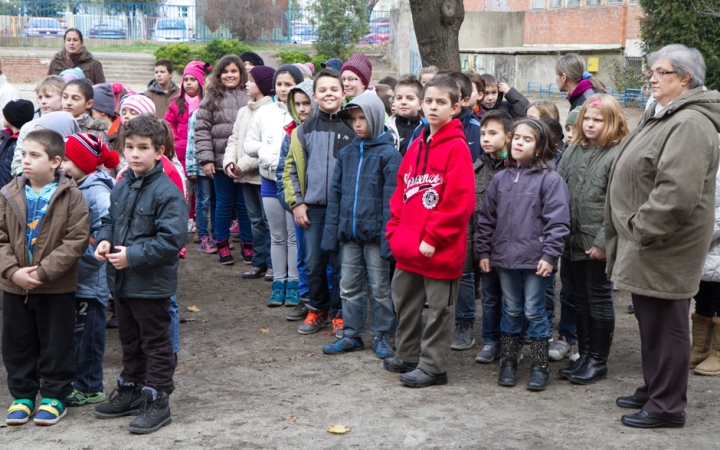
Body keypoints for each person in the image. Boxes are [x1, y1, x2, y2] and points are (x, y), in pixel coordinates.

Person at [606, 44, 720, 429]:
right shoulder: (665, 115)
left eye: (661, 72)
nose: (651, 78)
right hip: (650, 243)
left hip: (663, 243)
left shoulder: (689, 123)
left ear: (685, 78)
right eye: (651, 72)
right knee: (651, 323)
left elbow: (676, 193)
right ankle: (654, 388)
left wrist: (641, 229)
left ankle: (667, 405)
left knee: (668, 324)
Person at [93, 114, 187, 434]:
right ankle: (131, 389)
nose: (134, 154)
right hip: (121, 283)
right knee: (129, 340)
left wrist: (131, 256)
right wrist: (105, 238)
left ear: (159, 151)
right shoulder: (122, 186)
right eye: (129, 147)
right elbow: (109, 220)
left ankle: (157, 399)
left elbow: (171, 241)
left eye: (143, 148)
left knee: (156, 343)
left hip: (151, 284)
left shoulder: (167, 191)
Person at [383, 76, 475, 388]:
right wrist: (394, 230)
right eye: (430, 101)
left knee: (438, 311)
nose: (434, 107)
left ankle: (433, 367)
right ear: (422, 104)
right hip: (407, 246)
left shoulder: (457, 149)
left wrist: (432, 238)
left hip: (439, 248)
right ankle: (408, 354)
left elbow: (458, 203)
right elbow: (400, 190)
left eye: (441, 102)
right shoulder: (417, 144)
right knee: (405, 304)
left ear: (456, 107)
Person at [2, 129, 90, 426]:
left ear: (55, 161)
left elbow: (76, 240)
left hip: (55, 286)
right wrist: (13, 271)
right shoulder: (8, 193)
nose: (26, 161)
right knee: (17, 343)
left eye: (34, 155)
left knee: (57, 342)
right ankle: (23, 396)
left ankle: (54, 395)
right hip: (14, 286)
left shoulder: (72, 196)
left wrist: (42, 272)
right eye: (24, 154)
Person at [477, 118, 570, 391]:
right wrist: (484, 250)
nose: (519, 142)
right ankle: (508, 360)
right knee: (512, 308)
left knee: (534, 310)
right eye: (516, 137)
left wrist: (550, 255)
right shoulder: (499, 179)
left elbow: (558, 222)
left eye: (527, 139)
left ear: (539, 147)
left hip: (536, 260)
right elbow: (487, 219)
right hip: (504, 259)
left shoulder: (550, 180)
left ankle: (539, 364)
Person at [321, 93, 401, 358]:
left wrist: (389, 238)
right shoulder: (347, 153)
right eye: (353, 119)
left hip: (376, 237)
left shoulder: (389, 155)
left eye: (362, 118)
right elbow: (336, 196)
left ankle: (382, 334)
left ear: (376, 118)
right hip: (350, 235)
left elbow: (393, 201)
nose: (357, 124)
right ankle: (352, 334)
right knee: (349, 285)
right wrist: (331, 235)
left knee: (380, 289)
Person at [556, 94, 628, 386]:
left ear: (612, 122)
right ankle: (585, 355)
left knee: (598, 298)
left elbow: (619, 202)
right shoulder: (572, 151)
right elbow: (557, 191)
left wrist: (603, 241)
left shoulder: (616, 155)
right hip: (570, 241)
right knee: (579, 298)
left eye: (598, 120)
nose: (590, 124)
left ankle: (598, 361)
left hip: (596, 242)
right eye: (587, 118)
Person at [283, 68, 353, 336]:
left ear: (343, 94)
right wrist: (297, 203)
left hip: (344, 209)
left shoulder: (352, 128)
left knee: (341, 263)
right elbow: (290, 171)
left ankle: (339, 313)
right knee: (313, 261)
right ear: (314, 96)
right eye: (322, 90)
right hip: (313, 209)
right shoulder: (302, 131)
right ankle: (317, 309)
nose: (329, 94)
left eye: (334, 89)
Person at [60, 133, 119, 407]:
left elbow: (103, 236)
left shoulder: (98, 192)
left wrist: (73, 262)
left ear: (84, 162)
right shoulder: (73, 186)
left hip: (90, 280)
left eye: (68, 160)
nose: (62, 165)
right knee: (74, 334)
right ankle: (77, 381)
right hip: (73, 278)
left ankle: (91, 386)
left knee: (88, 336)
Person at [245, 65, 303, 306]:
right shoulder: (265, 112)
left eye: (288, 84)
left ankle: (294, 284)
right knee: (277, 235)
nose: (282, 89)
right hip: (268, 180)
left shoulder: (301, 111)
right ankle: (278, 283)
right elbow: (249, 143)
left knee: (293, 237)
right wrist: (266, 151)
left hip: (292, 184)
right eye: (279, 84)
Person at [195, 55, 252, 265]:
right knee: (224, 204)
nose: (230, 75)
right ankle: (222, 244)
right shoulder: (211, 97)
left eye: (234, 71)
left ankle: (248, 243)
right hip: (219, 161)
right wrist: (206, 159)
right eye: (225, 71)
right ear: (219, 75)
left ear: (241, 74)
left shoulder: (249, 96)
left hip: (244, 162)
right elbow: (201, 129)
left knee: (244, 204)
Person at [224, 65, 274, 273]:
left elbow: (265, 146)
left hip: (262, 176)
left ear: (262, 84)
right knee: (254, 220)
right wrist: (229, 162)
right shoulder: (244, 110)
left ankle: (273, 264)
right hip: (244, 176)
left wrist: (242, 165)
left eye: (251, 81)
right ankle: (258, 261)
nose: (246, 84)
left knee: (268, 221)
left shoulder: (270, 111)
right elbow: (234, 138)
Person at [472, 110, 512, 364]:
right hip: (486, 248)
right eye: (483, 133)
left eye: (493, 133)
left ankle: (513, 342)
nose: (486, 138)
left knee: (514, 300)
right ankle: (491, 341)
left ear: (509, 136)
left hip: (513, 249)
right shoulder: (476, 168)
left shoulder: (520, 168)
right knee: (489, 297)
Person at [276, 81, 317, 321]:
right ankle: (305, 298)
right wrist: (293, 204)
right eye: (297, 104)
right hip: (300, 207)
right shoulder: (291, 134)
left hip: (323, 207)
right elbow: (284, 173)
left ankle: (327, 300)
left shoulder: (327, 129)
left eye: (306, 103)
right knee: (303, 255)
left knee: (325, 256)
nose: (302, 109)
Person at [165, 61, 211, 241]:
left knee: (202, 194)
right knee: (184, 190)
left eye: (193, 79)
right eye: (186, 79)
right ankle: (183, 220)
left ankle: (199, 224)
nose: (189, 83)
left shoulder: (206, 102)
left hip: (200, 154)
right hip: (181, 153)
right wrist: (176, 140)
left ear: (201, 83)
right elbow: (169, 122)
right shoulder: (177, 102)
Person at [692, 162, 720, 377]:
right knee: (703, 296)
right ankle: (700, 349)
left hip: (710, 238)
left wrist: (702, 231)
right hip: (704, 245)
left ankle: (718, 354)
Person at [12, 77, 67, 177]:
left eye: (48, 96)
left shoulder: (71, 124)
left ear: (63, 97)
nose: (43, 101)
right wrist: (24, 177)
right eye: (40, 97)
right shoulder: (28, 127)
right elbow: (17, 161)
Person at [62, 79, 109, 147]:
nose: (68, 102)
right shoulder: (53, 124)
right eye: (65, 97)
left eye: (75, 98)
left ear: (89, 103)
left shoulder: (97, 132)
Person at [386, 74, 423, 156]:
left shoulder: (426, 129)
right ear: (394, 102)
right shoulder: (386, 129)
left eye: (410, 98)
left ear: (420, 104)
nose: (403, 102)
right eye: (399, 98)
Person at [0, 100, 35, 187]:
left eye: (4, 114)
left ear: (12, 118)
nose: (2, 116)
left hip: (10, 189)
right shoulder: (6, 136)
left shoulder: (20, 143)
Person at [91, 83, 121, 151]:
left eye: (90, 110)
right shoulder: (87, 128)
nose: (87, 113)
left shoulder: (122, 133)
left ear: (102, 111)